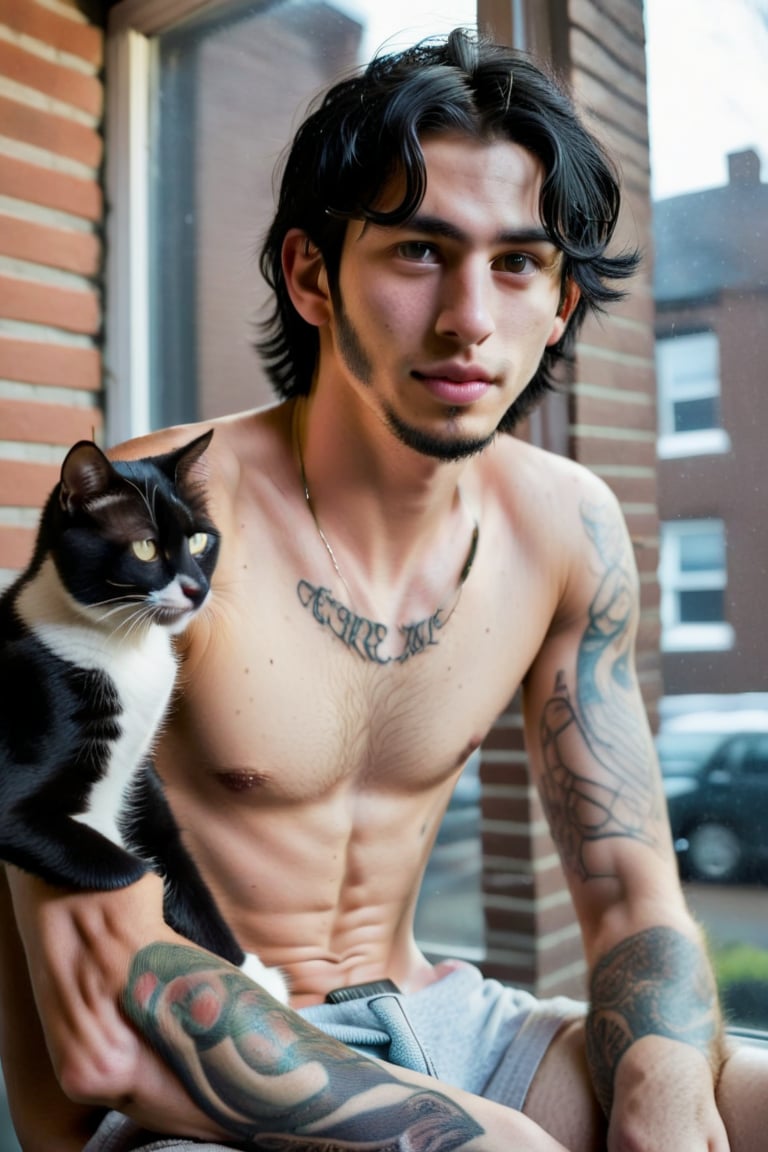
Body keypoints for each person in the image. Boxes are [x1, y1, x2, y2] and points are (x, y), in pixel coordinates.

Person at [1, 25, 767, 1152]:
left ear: (559, 306)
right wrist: (483, 1136)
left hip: (444, 1022)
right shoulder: (145, 535)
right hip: (181, 1092)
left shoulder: (566, 526)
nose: (470, 317)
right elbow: (102, 1039)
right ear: (313, 275)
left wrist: (662, 1089)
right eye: (419, 252)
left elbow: (628, 890)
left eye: (518, 263)